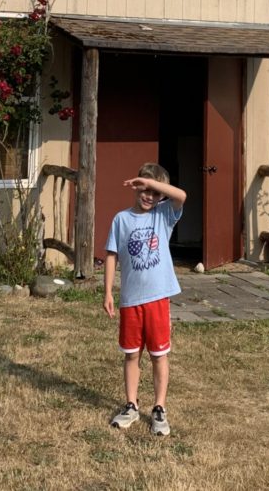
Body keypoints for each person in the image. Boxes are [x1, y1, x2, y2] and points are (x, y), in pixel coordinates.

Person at [103, 162, 186, 436]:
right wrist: (108, 292)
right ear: (136, 189)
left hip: (157, 299)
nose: (148, 196)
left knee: (158, 355)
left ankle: (159, 408)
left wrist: (151, 184)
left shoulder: (163, 216)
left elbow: (181, 195)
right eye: (143, 189)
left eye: (153, 191)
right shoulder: (121, 219)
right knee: (131, 354)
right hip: (130, 300)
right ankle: (131, 405)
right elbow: (112, 255)